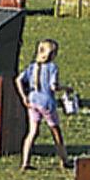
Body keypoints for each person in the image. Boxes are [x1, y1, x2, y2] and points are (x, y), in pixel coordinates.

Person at [17, 39, 67, 171]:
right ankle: (64, 160)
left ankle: (25, 162)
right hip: (46, 103)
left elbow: (19, 80)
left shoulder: (32, 67)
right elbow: (53, 86)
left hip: (33, 101)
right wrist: (66, 89)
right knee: (56, 131)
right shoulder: (52, 67)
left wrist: (24, 96)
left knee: (32, 132)